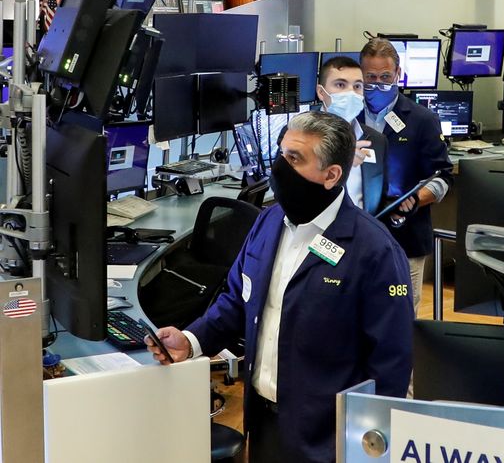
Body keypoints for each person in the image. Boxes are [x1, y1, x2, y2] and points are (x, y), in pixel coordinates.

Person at [146, 111, 414, 463]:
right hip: (264, 423)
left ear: (332, 175)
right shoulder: (268, 223)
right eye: (282, 152)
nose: (279, 166)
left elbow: (390, 364)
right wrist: (192, 341)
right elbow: (236, 301)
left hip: (328, 439)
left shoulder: (375, 251)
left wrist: (363, 446)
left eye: (295, 158)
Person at [359, 38, 454, 313]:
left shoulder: (422, 120)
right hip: (355, 236)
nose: (378, 84)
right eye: (371, 77)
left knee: (400, 320)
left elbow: (443, 177)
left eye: (385, 77)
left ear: (398, 74)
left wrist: (414, 199)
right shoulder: (347, 117)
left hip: (405, 239)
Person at [316, 55, 388, 215]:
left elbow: (380, 197)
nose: (350, 93)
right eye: (340, 85)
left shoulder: (375, 140)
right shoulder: (300, 135)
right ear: (321, 92)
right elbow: (289, 191)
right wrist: (340, 158)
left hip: (363, 234)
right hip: (318, 235)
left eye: (357, 86)